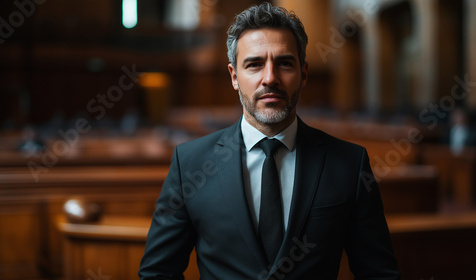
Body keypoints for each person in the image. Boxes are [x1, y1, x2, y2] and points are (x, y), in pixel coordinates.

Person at [139, 3, 400, 279]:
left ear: (304, 74)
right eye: (254, 64)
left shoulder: (349, 163)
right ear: (234, 76)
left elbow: (378, 273)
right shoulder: (190, 164)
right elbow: (158, 273)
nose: (270, 78)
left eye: (285, 63)